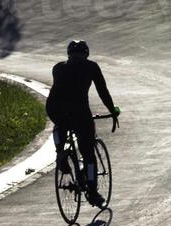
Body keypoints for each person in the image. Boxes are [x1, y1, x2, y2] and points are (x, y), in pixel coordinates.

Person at [47, 39, 120, 209]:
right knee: (88, 155)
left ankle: (60, 153)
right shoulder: (91, 66)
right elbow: (102, 90)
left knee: (60, 124)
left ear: (69, 54)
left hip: (54, 107)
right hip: (79, 110)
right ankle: (93, 193)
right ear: (86, 53)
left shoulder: (58, 67)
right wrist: (112, 110)